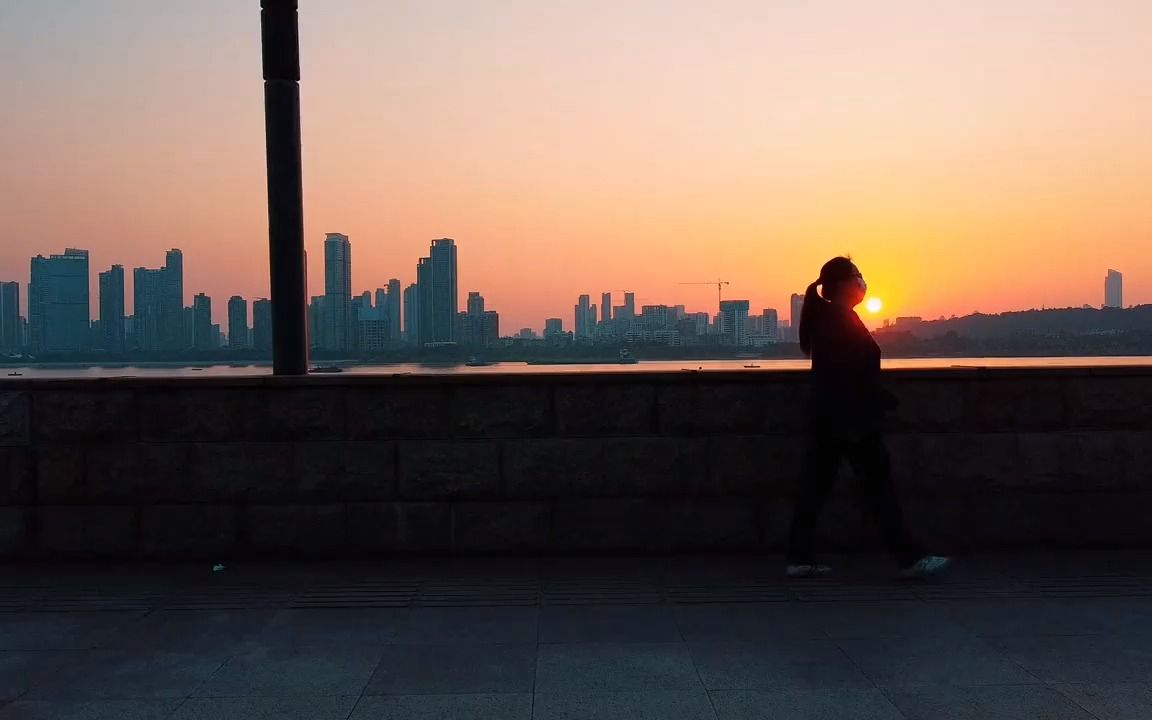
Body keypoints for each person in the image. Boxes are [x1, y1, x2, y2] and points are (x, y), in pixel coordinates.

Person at [786, 256, 950, 579]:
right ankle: (909, 558)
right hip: (851, 421)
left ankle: (799, 557)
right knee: (878, 489)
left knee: (816, 488)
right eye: (858, 276)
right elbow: (849, 371)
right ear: (844, 284)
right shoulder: (839, 319)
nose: (863, 282)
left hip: (832, 417)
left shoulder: (832, 317)